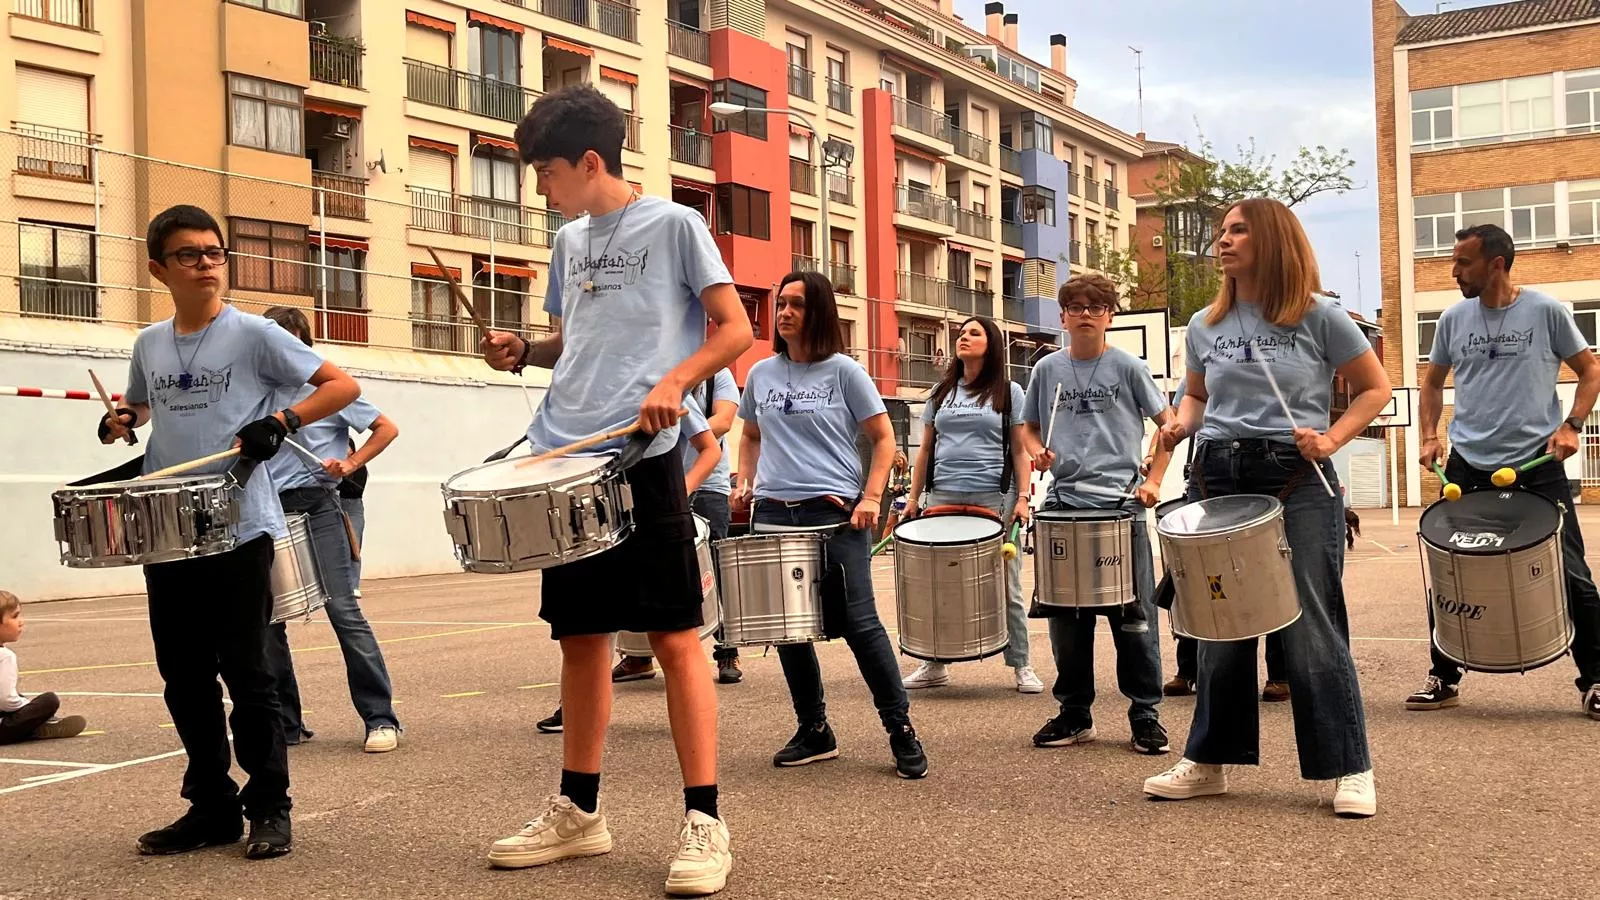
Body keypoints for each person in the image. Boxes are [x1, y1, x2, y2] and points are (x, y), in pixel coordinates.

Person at [477, 84, 752, 896]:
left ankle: (705, 820)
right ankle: (579, 812)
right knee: (581, 637)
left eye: (548, 170)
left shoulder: (675, 224)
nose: (540, 185)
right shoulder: (568, 242)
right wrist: (524, 347)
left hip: (646, 456)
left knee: (672, 637)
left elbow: (735, 328)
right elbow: (576, 343)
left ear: (591, 161)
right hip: (566, 455)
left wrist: (676, 380)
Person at [98, 204, 361, 857]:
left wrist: (286, 422)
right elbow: (142, 402)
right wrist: (121, 420)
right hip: (168, 527)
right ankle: (211, 807)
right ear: (160, 268)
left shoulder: (254, 334)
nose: (206, 263)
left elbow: (341, 385)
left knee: (249, 673)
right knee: (183, 677)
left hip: (242, 525)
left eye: (214, 252)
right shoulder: (149, 343)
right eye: (189, 254)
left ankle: (270, 805)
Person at [1146, 198, 1390, 817]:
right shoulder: (1205, 323)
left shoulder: (1320, 316)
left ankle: (1349, 767)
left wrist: (1332, 439)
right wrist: (1178, 424)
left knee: (1312, 625)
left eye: (1237, 230)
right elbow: (1196, 398)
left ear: (1273, 239)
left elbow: (1374, 389)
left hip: (1296, 477)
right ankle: (1208, 762)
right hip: (1218, 470)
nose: (1222, 241)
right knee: (1219, 625)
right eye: (1221, 232)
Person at [735, 270, 929, 779]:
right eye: (781, 304)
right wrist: (745, 480)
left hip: (835, 513)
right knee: (790, 632)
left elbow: (885, 440)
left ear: (818, 312)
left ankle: (900, 729)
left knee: (860, 626)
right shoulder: (761, 374)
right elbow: (751, 435)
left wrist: (870, 497)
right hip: (774, 512)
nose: (784, 313)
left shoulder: (845, 372)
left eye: (796, 304)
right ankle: (815, 730)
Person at [1409, 223, 1600, 721]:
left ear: (1496, 263)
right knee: (1451, 570)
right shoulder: (1453, 318)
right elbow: (1432, 384)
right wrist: (1430, 434)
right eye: (1453, 261)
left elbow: (1591, 369)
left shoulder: (1546, 312)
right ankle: (1444, 676)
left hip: (1536, 466)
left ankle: (1596, 679)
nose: (1454, 271)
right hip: (1468, 465)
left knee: (1572, 572)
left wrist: (1572, 425)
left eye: (1463, 262)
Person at [1021, 275, 1174, 755]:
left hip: (1119, 507)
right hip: (1064, 508)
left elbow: (1167, 425)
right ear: (1063, 316)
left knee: (1135, 620)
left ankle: (1145, 714)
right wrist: (1036, 453)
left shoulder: (1129, 367)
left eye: (1096, 306)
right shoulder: (1047, 369)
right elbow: (1027, 428)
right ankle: (1074, 712)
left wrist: (1153, 480)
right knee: (1067, 622)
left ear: (1110, 315)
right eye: (1075, 306)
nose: (1085, 313)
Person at [260, 307, 402, 753]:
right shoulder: (253, 392)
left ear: (305, 344)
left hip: (320, 504)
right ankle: (286, 722)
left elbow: (386, 428)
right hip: (266, 511)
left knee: (344, 611)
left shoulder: (331, 388)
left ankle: (381, 718)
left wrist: (351, 463)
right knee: (269, 621)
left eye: (291, 343)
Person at [540, 396, 725, 732]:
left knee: (672, 635)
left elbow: (710, 449)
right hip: (596, 517)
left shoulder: (663, 385)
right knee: (589, 628)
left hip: (650, 509)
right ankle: (575, 707)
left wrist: (677, 494)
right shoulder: (579, 387)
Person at [898, 315, 1041, 694]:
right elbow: (925, 449)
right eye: (961, 333)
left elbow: (1019, 449)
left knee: (1006, 585)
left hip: (994, 498)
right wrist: (913, 499)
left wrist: (1023, 497)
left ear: (990, 343)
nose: (964, 338)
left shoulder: (1009, 391)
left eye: (973, 333)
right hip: (943, 496)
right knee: (940, 584)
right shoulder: (941, 393)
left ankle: (1021, 664)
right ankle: (934, 662)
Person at [610, 369, 745, 686]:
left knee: (715, 569)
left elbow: (723, 422)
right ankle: (639, 656)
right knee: (645, 570)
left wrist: (676, 425)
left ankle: (727, 650)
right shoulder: (659, 371)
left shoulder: (716, 377)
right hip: (660, 486)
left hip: (707, 484)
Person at [0, 591, 88, 744]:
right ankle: (36, 725)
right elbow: (5, 700)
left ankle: (35, 724)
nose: (21, 622)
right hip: (3, 730)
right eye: (14, 616)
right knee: (49, 700)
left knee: (18, 695)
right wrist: (29, 708)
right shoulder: (5, 656)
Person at [340, 438, 368, 600]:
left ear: (352, 449)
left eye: (347, 447)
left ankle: (354, 585)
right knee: (339, 544)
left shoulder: (359, 467)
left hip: (353, 507)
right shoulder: (336, 466)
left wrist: (339, 479)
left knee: (354, 544)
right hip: (336, 503)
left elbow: (355, 490)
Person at [880, 451, 913, 538]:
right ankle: (882, 548)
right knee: (889, 523)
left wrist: (903, 487)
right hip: (896, 500)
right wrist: (894, 488)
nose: (898, 463)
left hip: (907, 500)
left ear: (904, 459)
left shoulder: (911, 469)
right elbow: (890, 485)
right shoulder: (893, 471)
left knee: (906, 524)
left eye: (899, 461)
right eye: (896, 462)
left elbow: (914, 485)